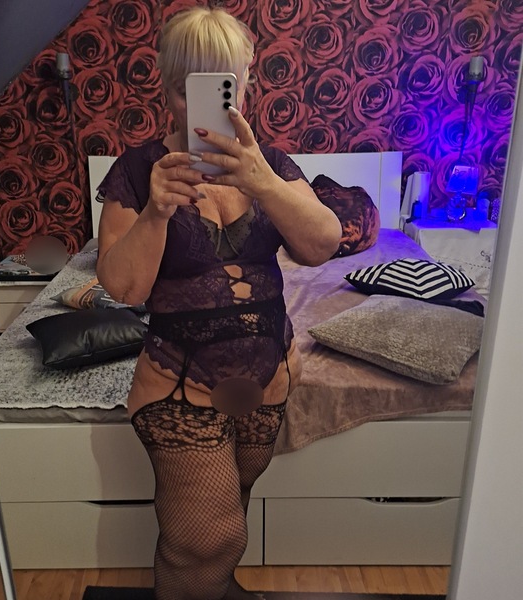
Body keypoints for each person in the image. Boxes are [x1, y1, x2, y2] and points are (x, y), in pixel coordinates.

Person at [96, 6, 341, 600]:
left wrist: (263, 183)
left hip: (269, 380)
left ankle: (218, 590)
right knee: (204, 540)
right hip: (179, 383)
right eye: (186, 90)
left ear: (244, 82)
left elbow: (322, 245)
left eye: (220, 87)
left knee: (229, 511)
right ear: (166, 86)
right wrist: (156, 212)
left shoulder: (271, 166)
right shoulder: (138, 172)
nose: (198, 108)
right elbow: (123, 289)